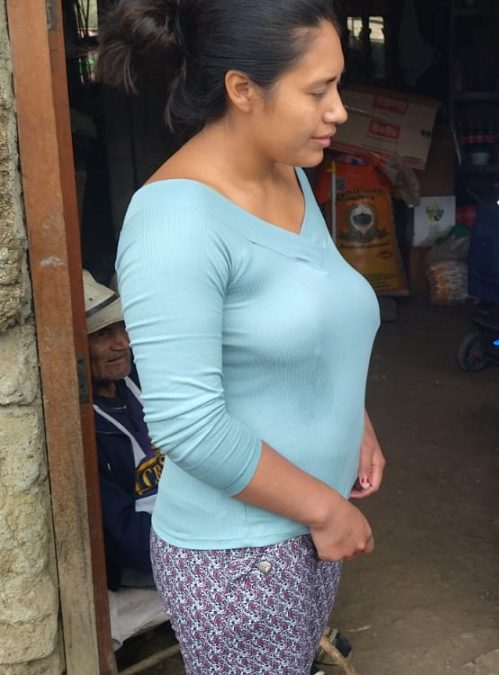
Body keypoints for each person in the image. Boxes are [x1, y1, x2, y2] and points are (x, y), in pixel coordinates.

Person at [96, 2, 385, 672]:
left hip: (304, 529)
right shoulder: (175, 222)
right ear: (242, 89)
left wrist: (354, 419)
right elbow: (188, 423)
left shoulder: (287, 173)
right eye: (318, 90)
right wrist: (324, 507)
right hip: (240, 558)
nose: (338, 109)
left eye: (336, 85)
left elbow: (312, 316)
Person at [84, 269, 163, 592]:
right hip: (146, 555)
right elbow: (123, 538)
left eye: (123, 329)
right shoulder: (88, 429)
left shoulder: (139, 388)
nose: (123, 343)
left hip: (184, 527)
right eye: (104, 335)